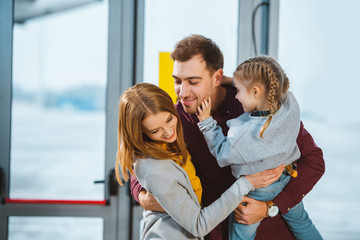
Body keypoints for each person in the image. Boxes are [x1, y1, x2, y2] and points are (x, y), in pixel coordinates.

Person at [130, 34, 325, 240]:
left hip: (274, 231)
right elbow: (139, 165)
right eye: (177, 81)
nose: (183, 92)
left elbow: (314, 161)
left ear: (217, 78)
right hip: (215, 233)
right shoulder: (173, 120)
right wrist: (142, 196)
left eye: (193, 81)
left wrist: (269, 207)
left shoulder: (260, 105)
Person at [115, 82, 284, 239]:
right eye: (155, 130)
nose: (168, 132)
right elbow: (198, 225)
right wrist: (246, 183)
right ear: (140, 132)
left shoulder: (170, 142)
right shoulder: (154, 168)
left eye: (169, 119)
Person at [197, 56, 322, 239]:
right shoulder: (289, 106)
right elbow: (275, 86)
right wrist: (231, 80)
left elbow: (222, 154)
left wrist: (207, 123)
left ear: (256, 91)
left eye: (238, 90)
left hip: (258, 193)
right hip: (287, 179)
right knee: (303, 225)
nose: (236, 95)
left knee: (240, 235)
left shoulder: (246, 136)